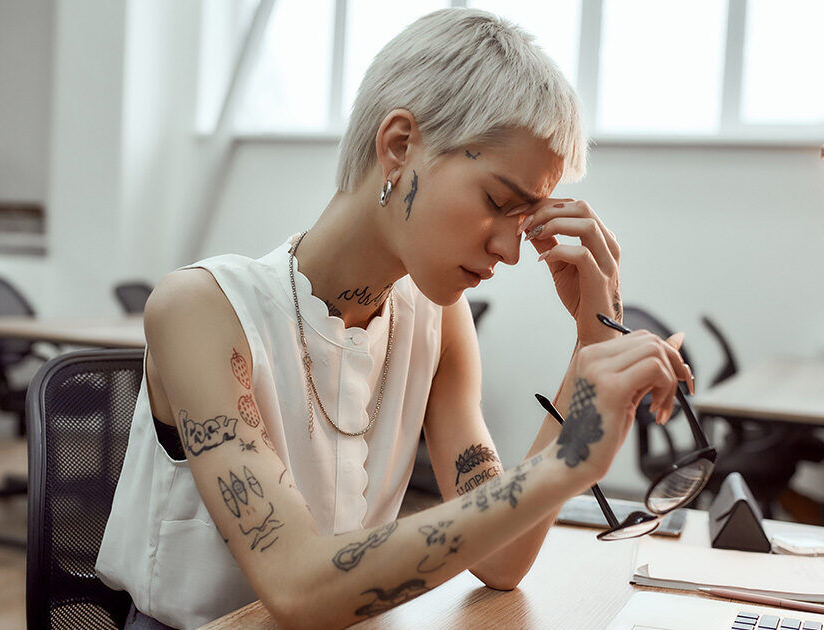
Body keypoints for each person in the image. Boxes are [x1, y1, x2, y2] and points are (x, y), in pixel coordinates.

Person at [95, 8, 693, 629]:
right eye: (497, 202)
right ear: (400, 145)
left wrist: (593, 341)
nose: (511, 251)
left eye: (527, 219)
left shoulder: (438, 321)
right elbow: (298, 590)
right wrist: (564, 461)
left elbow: (502, 560)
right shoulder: (201, 309)